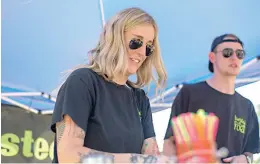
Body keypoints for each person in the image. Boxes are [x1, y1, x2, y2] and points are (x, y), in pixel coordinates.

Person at [50, 7, 176, 163]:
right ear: (114, 38)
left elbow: (151, 157)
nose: (142, 52)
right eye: (136, 42)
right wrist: (135, 160)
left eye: (149, 47)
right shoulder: (82, 81)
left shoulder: (140, 98)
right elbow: (68, 156)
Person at [163, 34, 260, 163]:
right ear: (212, 57)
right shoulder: (190, 92)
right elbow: (169, 142)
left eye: (240, 53)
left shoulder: (247, 106)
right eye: (227, 52)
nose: (234, 57)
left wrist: (245, 159)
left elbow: (249, 151)